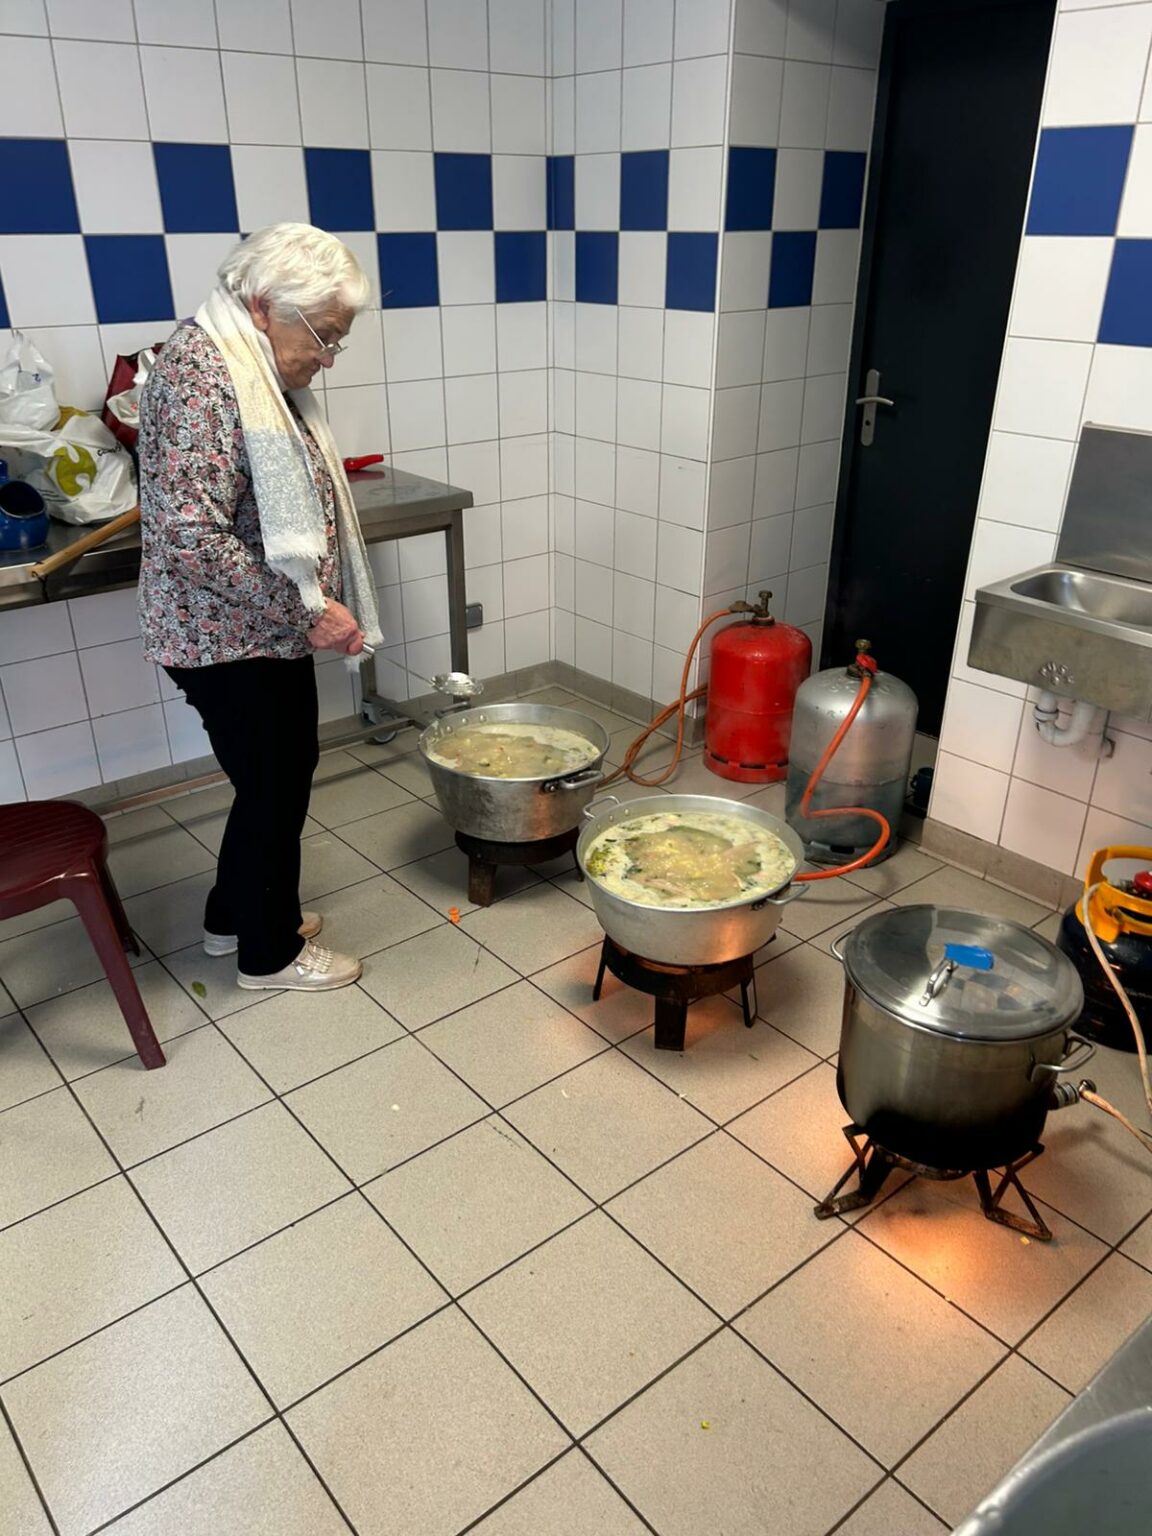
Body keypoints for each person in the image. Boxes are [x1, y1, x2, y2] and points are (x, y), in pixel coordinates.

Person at [137, 223, 383, 993]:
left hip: (253, 630)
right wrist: (305, 609)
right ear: (265, 305)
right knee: (277, 785)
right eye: (325, 335)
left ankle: (230, 917)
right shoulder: (203, 374)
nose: (328, 357)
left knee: (269, 779)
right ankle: (269, 953)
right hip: (227, 636)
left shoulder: (240, 362)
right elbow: (188, 535)